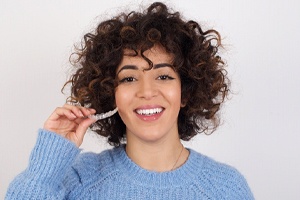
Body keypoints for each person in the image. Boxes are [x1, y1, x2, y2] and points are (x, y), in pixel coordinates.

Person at [6, 2, 254, 199]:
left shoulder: (226, 188)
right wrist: (48, 163)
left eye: (164, 76)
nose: (147, 91)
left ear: (186, 93)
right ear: (110, 94)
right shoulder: (78, 180)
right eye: (128, 79)